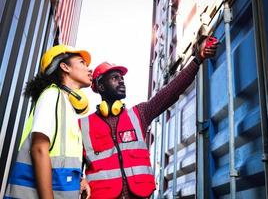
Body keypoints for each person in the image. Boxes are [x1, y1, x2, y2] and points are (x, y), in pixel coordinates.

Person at [79, 37, 219, 199]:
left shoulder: (139, 114)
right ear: (101, 86)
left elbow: (170, 92)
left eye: (122, 78)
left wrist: (197, 60)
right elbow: (71, 169)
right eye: (115, 78)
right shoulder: (83, 126)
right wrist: (80, 180)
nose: (121, 81)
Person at [5, 44, 93, 199]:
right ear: (65, 67)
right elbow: (39, 149)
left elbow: (60, 157)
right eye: (82, 63)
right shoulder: (52, 95)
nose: (89, 69)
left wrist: (79, 179)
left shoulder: (67, 105)